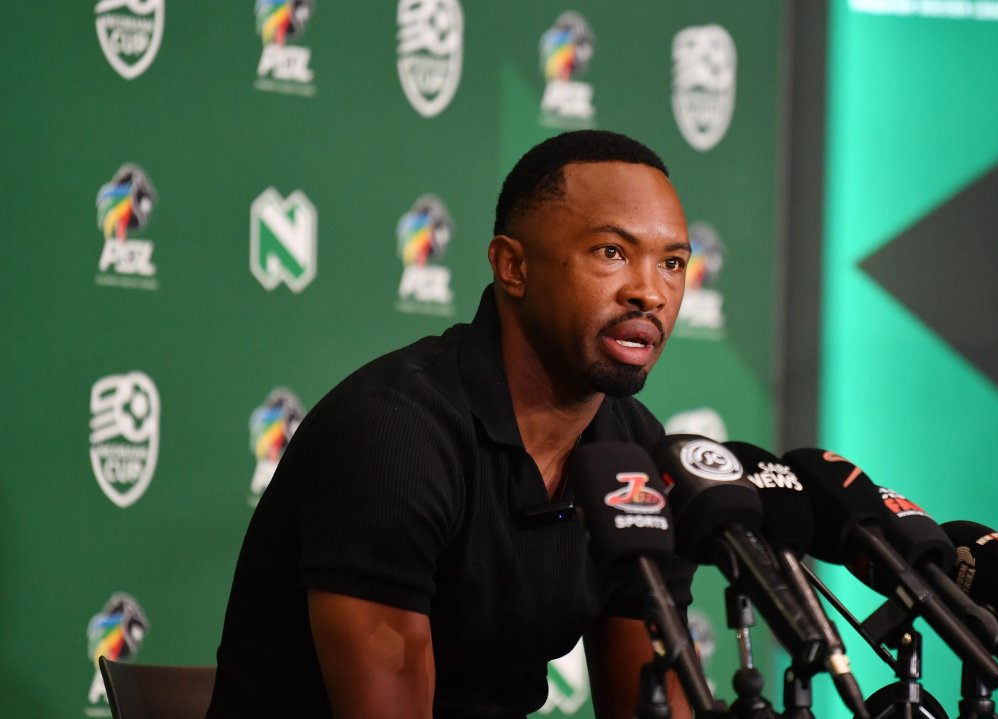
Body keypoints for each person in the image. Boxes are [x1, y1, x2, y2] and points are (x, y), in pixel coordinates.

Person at [206, 130, 699, 719]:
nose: (649, 292)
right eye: (611, 253)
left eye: (672, 263)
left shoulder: (635, 456)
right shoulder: (392, 435)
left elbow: (651, 706)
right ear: (512, 266)